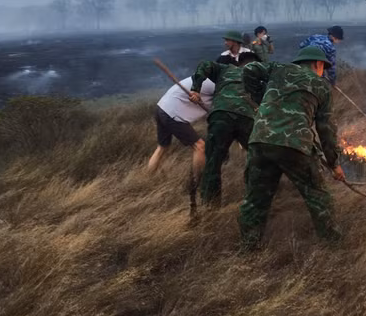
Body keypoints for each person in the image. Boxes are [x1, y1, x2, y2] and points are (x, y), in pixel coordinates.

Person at [238, 45, 346, 249]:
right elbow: (326, 130)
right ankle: (334, 246)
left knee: (255, 200)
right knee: (318, 196)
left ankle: (248, 247)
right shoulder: (321, 86)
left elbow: (249, 69)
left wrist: (259, 97)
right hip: (294, 145)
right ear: (318, 64)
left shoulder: (278, 68)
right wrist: (334, 164)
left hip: (260, 141)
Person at [189, 52, 261, 206]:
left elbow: (205, 64)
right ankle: (255, 200)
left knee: (213, 162)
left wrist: (195, 88)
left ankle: (210, 206)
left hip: (221, 116)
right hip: (247, 119)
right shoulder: (258, 79)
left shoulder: (225, 69)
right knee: (259, 159)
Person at [147, 76, 215, 187]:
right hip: (172, 113)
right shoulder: (216, 82)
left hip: (161, 108)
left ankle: (148, 178)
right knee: (200, 146)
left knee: (162, 147)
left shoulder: (205, 77)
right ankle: (196, 184)